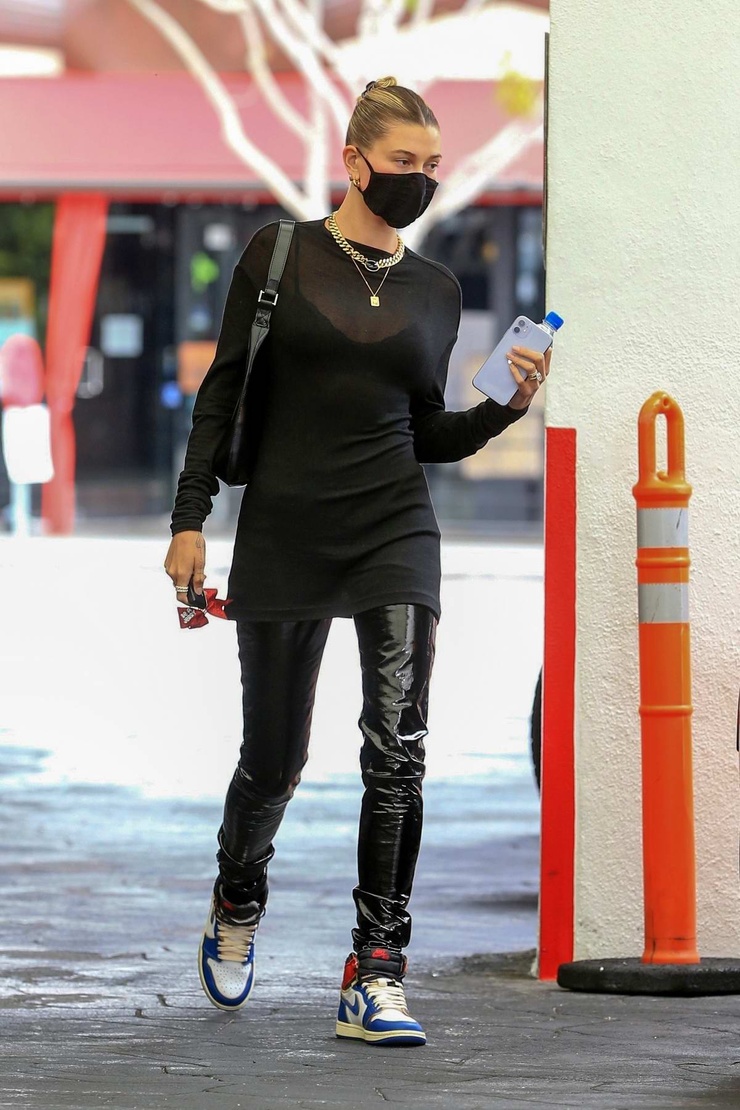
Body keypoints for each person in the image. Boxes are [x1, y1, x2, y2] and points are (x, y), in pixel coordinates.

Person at [164, 76, 551, 1047]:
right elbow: (221, 395)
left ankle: (376, 969)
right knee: (273, 761)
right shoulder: (278, 253)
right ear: (354, 161)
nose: (421, 178)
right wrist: (189, 519)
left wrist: (505, 406)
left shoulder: (437, 289)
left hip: (393, 529)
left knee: (398, 751)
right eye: (404, 161)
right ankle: (238, 896)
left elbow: (428, 433)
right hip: (286, 527)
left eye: (433, 164)